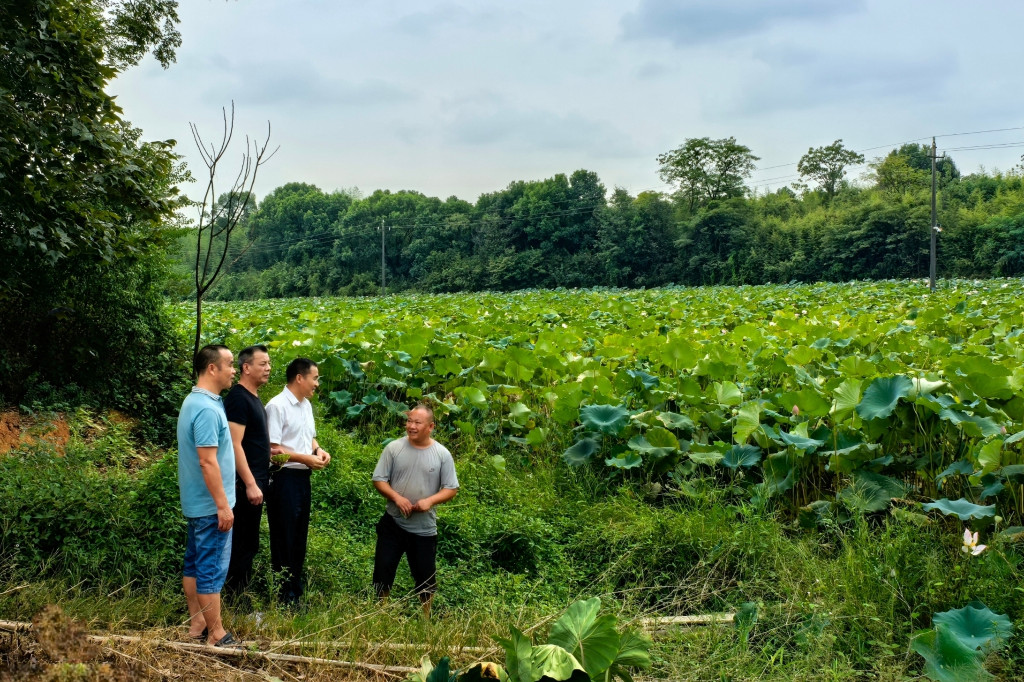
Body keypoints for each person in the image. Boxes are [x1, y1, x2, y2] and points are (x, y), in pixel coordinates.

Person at [371, 404, 459, 618]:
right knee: (383, 569)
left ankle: (425, 618)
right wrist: (397, 498)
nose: (410, 426)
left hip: (424, 528)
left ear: (430, 426)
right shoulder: (394, 448)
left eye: (417, 423)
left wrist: (430, 501)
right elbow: (379, 480)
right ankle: (380, 613)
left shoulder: (441, 454)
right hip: (393, 522)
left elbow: (451, 488)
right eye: (409, 421)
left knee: (425, 575)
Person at [177, 344, 239, 647]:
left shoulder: (197, 401)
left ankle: (197, 623)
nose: (233, 370)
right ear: (212, 368)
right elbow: (207, 460)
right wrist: (223, 506)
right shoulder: (204, 407)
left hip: (197, 504)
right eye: (229, 364)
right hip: (210, 507)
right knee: (210, 570)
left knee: (194, 564)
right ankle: (217, 633)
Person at [265, 357, 330, 607]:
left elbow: (309, 438)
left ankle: (295, 593)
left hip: (303, 477)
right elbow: (272, 450)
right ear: (300, 378)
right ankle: (283, 597)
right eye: (314, 378)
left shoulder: (305, 406)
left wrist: (318, 451)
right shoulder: (277, 406)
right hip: (284, 478)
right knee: (284, 536)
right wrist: (304, 458)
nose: (316, 384)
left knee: (299, 536)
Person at [224, 345, 272, 597]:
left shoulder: (252, 397)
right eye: (262, 364)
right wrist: (251, 483)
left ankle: (237, 599)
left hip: (255, 480)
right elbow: (233, 445)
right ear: (246, 368)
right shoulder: (239, 399)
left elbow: (249, 442)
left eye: (269, 364)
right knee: (242, 543)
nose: (268, 368)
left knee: (249, 542)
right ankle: (234, 601)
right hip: (244, 485)